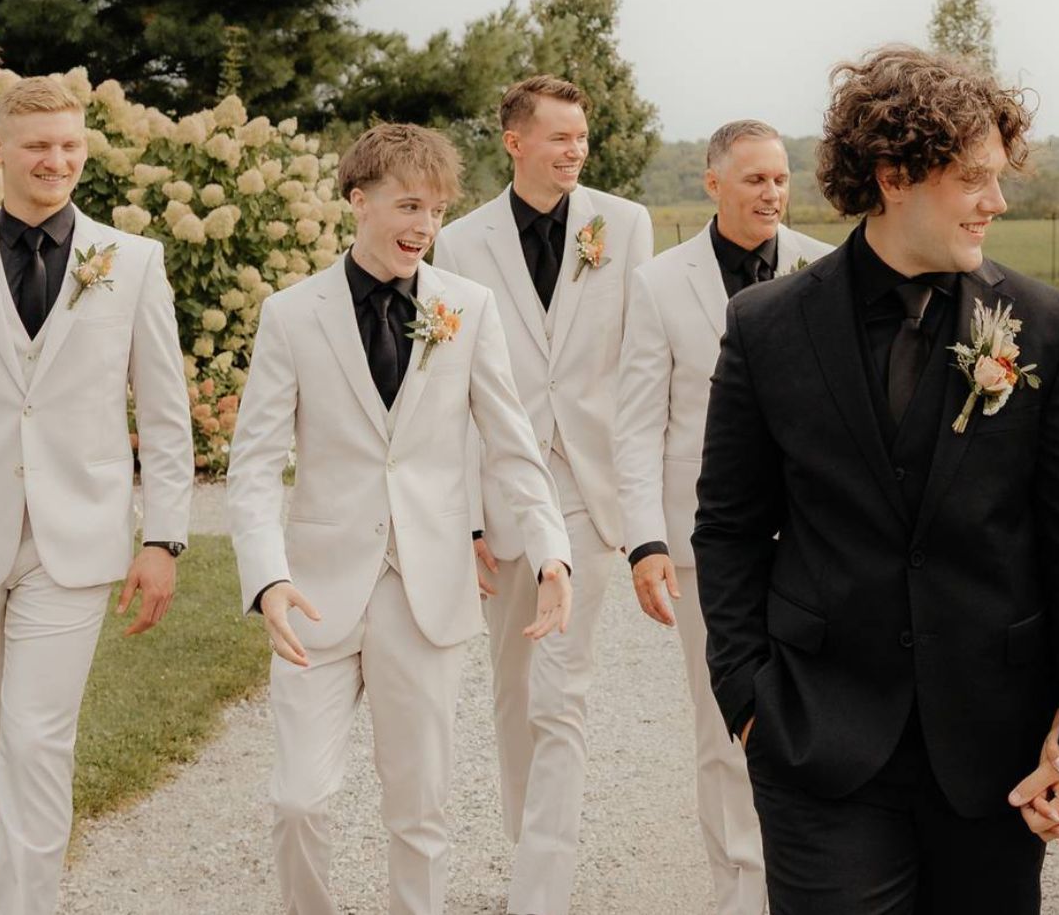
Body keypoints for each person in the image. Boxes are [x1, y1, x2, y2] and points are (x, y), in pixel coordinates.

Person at [693, 45, 1059, 915]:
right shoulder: (767, 326)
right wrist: (748, 698)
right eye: (973, 178)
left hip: (994, 749)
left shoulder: (1049, 329)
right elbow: (730, 527)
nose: (997, 202)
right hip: (818, 741)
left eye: (998, 177)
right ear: (894, 175)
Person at [226, 122, 573, 915]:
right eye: (409, 204)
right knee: (299, 800)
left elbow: (513, 446)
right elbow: (252, 466)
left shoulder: (468, 307)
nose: (425, 225)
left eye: (438, 210)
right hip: (314, 592)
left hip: (427, 590)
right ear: (359, 200)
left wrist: (552, 550)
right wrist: (267, 578)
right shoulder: (291, 314)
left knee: (421, 809)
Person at [429, 75, 652, 915]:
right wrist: (471, 519)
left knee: (564, 690)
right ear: (513, 141)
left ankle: (541, 891)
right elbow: (445, 394)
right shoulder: (458, 242)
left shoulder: (622, 225)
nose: (574, 151)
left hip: (588, 490)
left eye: (582, 139)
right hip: (501, 488)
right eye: (558, 137)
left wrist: (637, 501)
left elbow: (639, 363)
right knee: (514, 686)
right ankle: (534, 846)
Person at [0, 75, 193, 915]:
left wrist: (163, 537)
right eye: (37, 146)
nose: (56, 160)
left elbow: (167, 413)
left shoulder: (132, 262)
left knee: (35, 741)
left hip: (74, 541)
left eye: (70, 145)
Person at [616, 118, 833, 914]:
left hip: (816, 539)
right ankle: (739, 891)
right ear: (714, 183)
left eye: (780, 178)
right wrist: (644, 539)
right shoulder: (660, 282)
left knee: (817, 714)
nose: (772, 192)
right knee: (726, 726)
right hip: (705, 543)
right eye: (754, 179)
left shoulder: (824, 266)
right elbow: (637, 421)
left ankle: (811, 879)